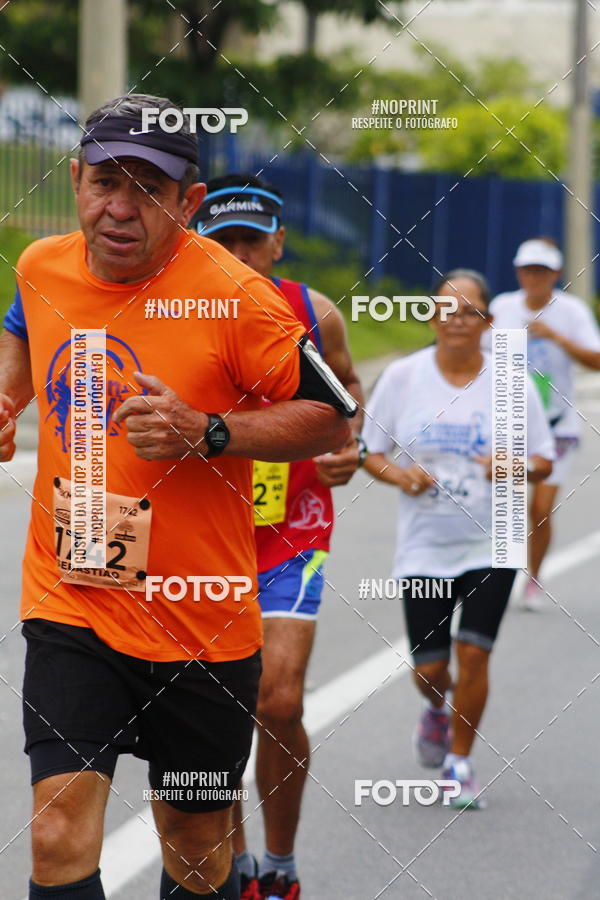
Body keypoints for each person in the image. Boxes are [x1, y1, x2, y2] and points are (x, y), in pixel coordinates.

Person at [0, 94, 354, 900]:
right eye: (102, 183)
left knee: (196, 849)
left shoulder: (236, 297)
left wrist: (212, 432)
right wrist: (8, 396)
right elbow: (22, 325)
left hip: (201, 620)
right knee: (56, 833)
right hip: (74, 597)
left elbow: (333, 414)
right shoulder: (43, 264)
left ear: (187, 203)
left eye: (147, 189)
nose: (119, 208)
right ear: (74, 180)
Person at [195, 174, 365, 899]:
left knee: (279, 700)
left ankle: (282, 864)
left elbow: (347, 400)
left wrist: (347, 451)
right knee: (213, 709)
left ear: (277, 243)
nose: (237, 254)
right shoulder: (177, 310)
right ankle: (233, 867)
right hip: (202, 533)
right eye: (222, 241)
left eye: (250, 241)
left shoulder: (313, 313)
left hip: (291, 530)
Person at [362, 269, 554, 809]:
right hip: (424, 545)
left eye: (469, 312)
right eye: (446, 310)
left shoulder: (513, 382)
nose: (456, 321)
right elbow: (369, 452)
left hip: (493, 541)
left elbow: (544, 460)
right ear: (430, 317)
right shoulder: (403, 377)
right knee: (429, 668)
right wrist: (401, 475)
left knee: (475, 654)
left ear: (488, 322)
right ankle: (436, 709)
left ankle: (459, 762)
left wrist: (512, 467)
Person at [487, 239, 600, 610]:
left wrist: (557, 338)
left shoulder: (571, 311)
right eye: (528, 270)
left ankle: (533, 578)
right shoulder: (503, 306)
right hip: (508, 423)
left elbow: (596, 360)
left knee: (540, 508)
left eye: (542, 270)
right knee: (505, 503)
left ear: (556, 274)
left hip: (557, 425)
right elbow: (475, 351)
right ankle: (491, 578)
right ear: (519, 272)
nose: (534, 277)